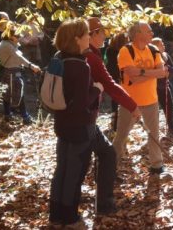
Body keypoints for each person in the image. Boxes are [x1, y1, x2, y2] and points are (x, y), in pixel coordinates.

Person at [49, 19, 116, 228]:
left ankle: (55, 215)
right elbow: (80, 104)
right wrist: (96, 88)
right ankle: (70, 218)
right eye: (86, 34)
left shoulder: (57, 58)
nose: (89, 37)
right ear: (77, 39)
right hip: (80, 127)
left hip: (61, 124)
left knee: (62, 170)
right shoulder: (80, 66)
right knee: (75, 172)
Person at [112, 21, 168, 175]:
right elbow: (131, 76)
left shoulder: (154, 49)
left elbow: (162, 72)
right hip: (130, 103)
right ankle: (110, 165)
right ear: (138, 34)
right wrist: (152, 73)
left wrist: (141, 72)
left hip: (151, 100)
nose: (152, 33)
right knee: (121, 136)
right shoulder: (126, 51)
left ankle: (157, 165)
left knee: (154, 135)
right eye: (148, 31)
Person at [83, 18, 141, 135]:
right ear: (94, 34)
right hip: (84, 116)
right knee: (102, 152)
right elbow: (109, 84)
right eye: (103, 33)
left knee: (103, 151)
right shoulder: (91, 57)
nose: (105, 36)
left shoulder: (88, 53)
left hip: (79, 115)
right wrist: (133, 106)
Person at [0, 21, 41, 125]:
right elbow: (19, 57)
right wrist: (31, 66)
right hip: (12, 73)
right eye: (17, 36)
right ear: (11, 36)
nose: (19, 38)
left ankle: (8, 115)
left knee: (7, 93)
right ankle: (25, 117)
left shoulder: (8, 43)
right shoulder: (7, 45)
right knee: (18, 94)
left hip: (10, 72)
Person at [151, 37, 173, 136]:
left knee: (169, 108)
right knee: (154, 111)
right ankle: (153, 132)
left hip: (164, 86)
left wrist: (167, 68)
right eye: (161, 44)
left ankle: (172, 129)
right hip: (153, 87)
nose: (163, 45)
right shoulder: (151, 56)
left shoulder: (166, 55)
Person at [105, 32, 129, 132]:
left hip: (112, 76)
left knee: (115, 102)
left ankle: (115, 125)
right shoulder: (124, 51)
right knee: (123, 100)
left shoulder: (109, 50)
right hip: (121, 77)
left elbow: (107, 63)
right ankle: (120, 125)